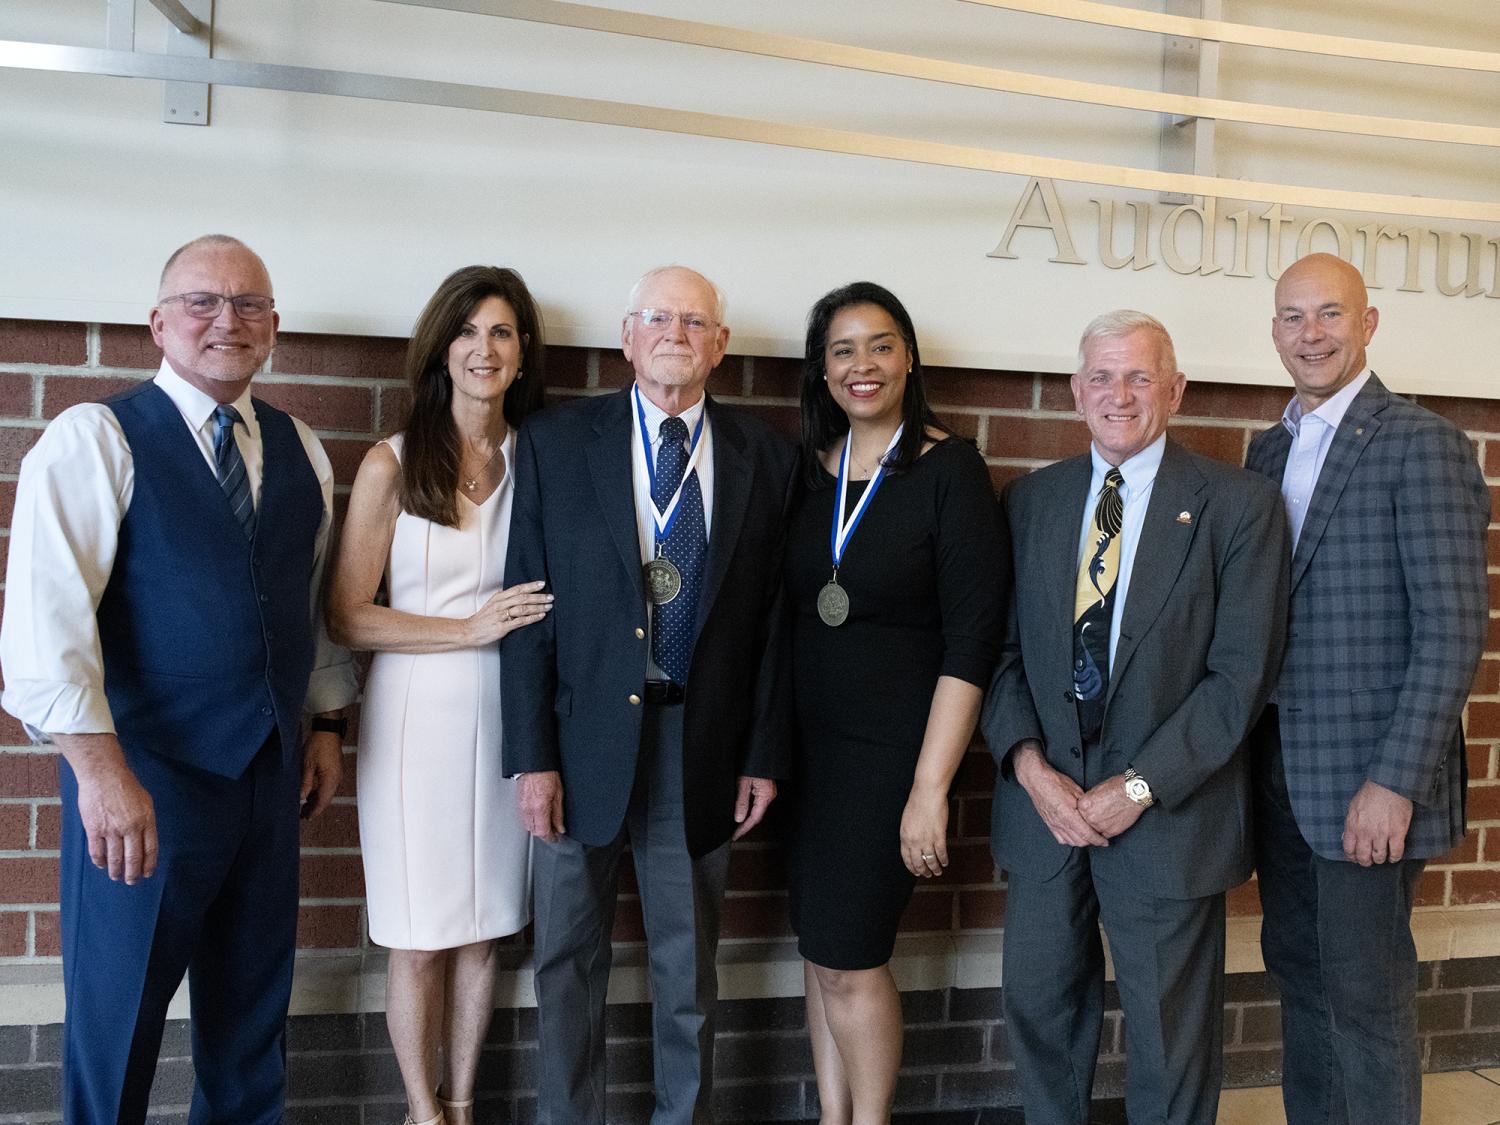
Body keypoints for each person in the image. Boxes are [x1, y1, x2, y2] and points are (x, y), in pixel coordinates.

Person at [0, 234, 357, 1124]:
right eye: (202, 301)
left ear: (274, 328)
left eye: (248, 305)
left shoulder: (301, 447)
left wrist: (322, 724)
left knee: (250, 1033)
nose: (225, 321)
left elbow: (306, 606)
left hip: (267, 788)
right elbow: (45, 629)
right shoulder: (95, 438)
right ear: (158, 322)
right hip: (144, 792)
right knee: (117, 1028)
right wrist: (101, 775)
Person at [501, 265, 796, 1125]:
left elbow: (775, 622)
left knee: (688, 971)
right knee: (565, 964)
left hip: (697, 746)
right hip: (577, 745)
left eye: (695, 321)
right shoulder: (556, 442)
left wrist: (762, 755)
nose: (676, 333)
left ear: (721, 345)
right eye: (657, 318)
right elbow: (528, 608)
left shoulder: (764, 456)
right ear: (627, 337)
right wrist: (531, 759)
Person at [982, 310, 1288, 1125]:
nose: (1120, 395)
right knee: (1040, 1010)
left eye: (1140, 376)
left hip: (1167, 815)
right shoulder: (1031, 502)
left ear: (1175, 389)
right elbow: (1000, 654)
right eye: (1103, 377)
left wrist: (1141, 785)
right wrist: (1030, 768)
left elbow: (1237, 679)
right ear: (1077, 392)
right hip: (1045, 811)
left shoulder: (1238, 505)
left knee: (1170, 1041)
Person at [1246, 253, 1489, 1125]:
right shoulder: (1267, 447)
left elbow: (1454, 628)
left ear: (1369, 323)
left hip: (1368, 779)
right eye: (1293, 317)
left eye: (1330, 315)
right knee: (1300, 976)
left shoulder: (1422, 444)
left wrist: (1394, 781)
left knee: (1367, 996)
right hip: (1279, 769)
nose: (1311, 334)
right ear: (1274, 331)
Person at [326, 266, 553, 1125]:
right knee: (420, 937)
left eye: (500, 332)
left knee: (486, 928)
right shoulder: (392, 460)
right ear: (440, 346)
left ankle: (463, 1103)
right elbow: (345, 615)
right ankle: (423, 1112)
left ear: (523, 352)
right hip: (416, 714)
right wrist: (467, 629)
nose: (482, 349)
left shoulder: (541, 457)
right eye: (467, 332)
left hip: (509, 717)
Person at [783, 282, 1005, 1124]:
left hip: (891, 762)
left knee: (849, 958)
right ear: (824, 370)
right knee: (819, 954)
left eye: (880, 345)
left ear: (909, 357)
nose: (862, 365)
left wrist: (928, 788)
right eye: (843, 350)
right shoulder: (812, 470)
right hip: (810, 756)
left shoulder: (950, 469)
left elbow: (972, 642)